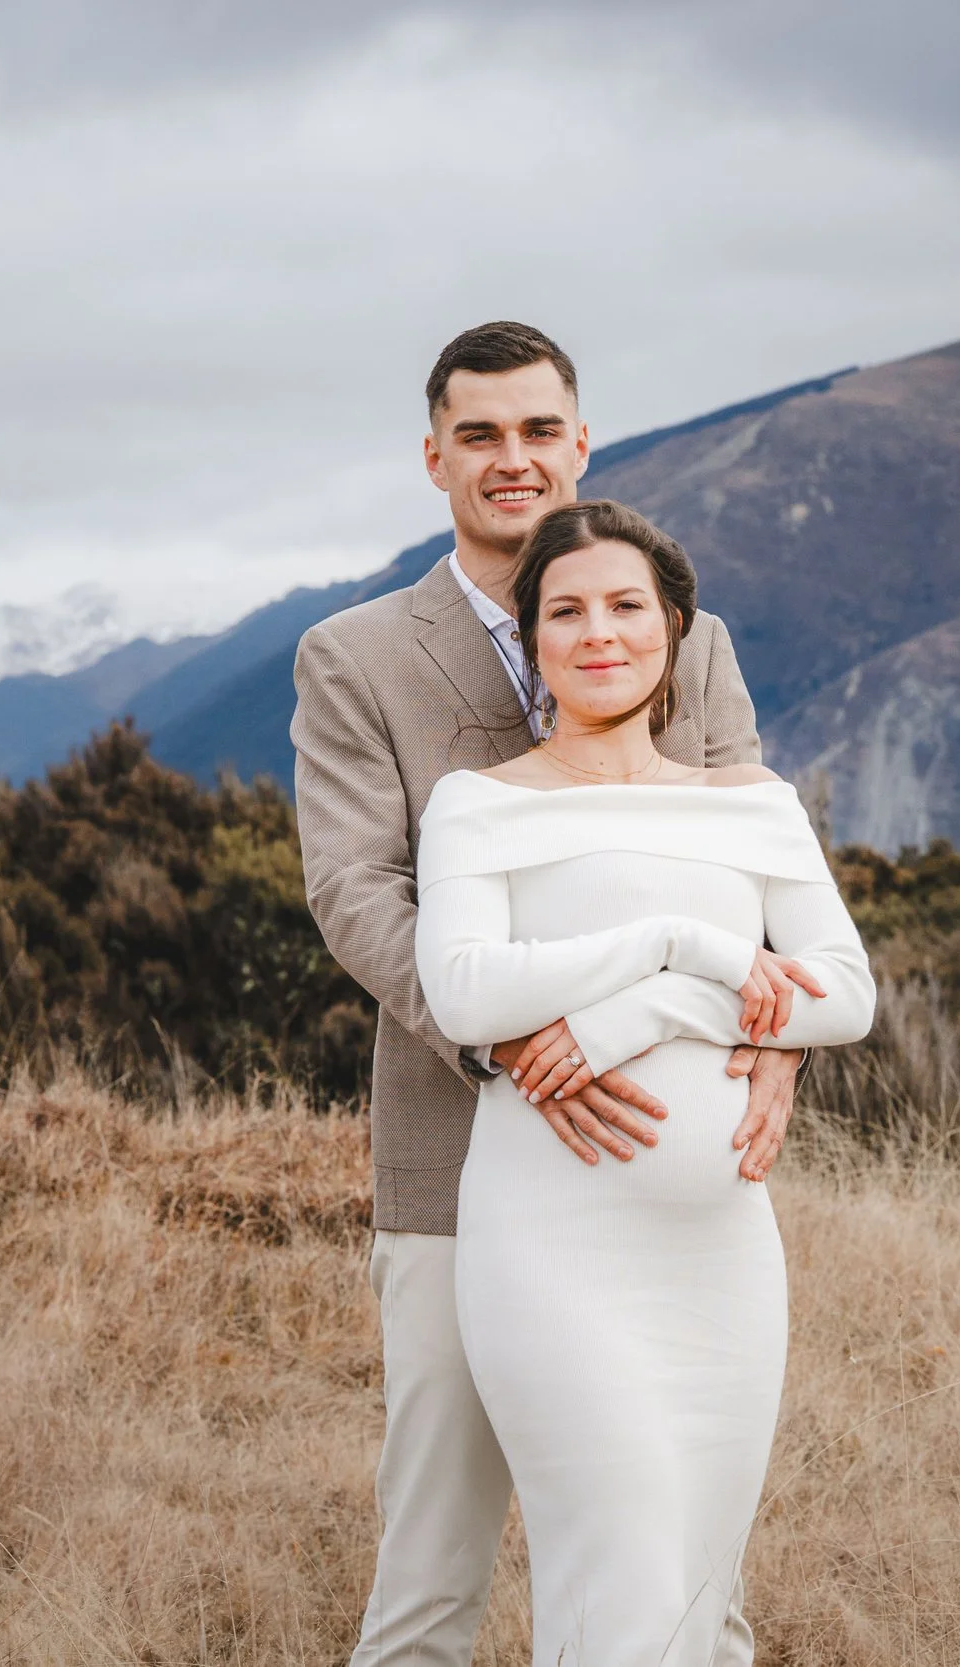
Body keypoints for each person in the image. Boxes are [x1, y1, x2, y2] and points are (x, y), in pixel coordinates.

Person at [292, 322, 801, 1665]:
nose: (511, 460)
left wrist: (785, 1037)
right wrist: (507, 1033)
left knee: (694, 1578)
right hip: (462, 1172)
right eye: (480, 436)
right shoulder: (356, 657)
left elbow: (762, 867)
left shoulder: (691, 642)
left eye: (537, 432)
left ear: (581, 446)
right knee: (433, 1571)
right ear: (435, 458)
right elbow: (354, 890)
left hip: (673, 1179)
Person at [414, 499, 874, 1664]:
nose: (597, 632)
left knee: (692, 1596)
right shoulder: (482, 803)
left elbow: (844, 994)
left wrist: (660, 999)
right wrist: (682, 941)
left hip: (722, 1258)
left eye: (626, 605)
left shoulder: (756, 805)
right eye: (564, 610)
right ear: (531, 640)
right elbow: (468, 992)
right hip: (552, 1247)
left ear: (674, 626)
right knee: (615, 1585)